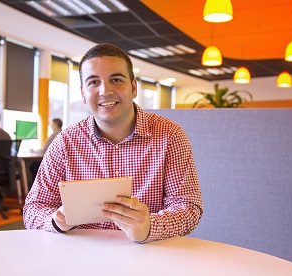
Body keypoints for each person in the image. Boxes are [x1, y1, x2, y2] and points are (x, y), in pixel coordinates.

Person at [23, 43, 203, 243]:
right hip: (80, 256)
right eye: (93, 82)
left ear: (133, 87)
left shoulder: (170, 135)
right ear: (83, 93)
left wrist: (150, 226)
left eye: (116, 80)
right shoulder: (65, 142)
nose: (105, 91)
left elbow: (189, 208)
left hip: (149, 256)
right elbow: (33, 207)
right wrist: (56, 221)